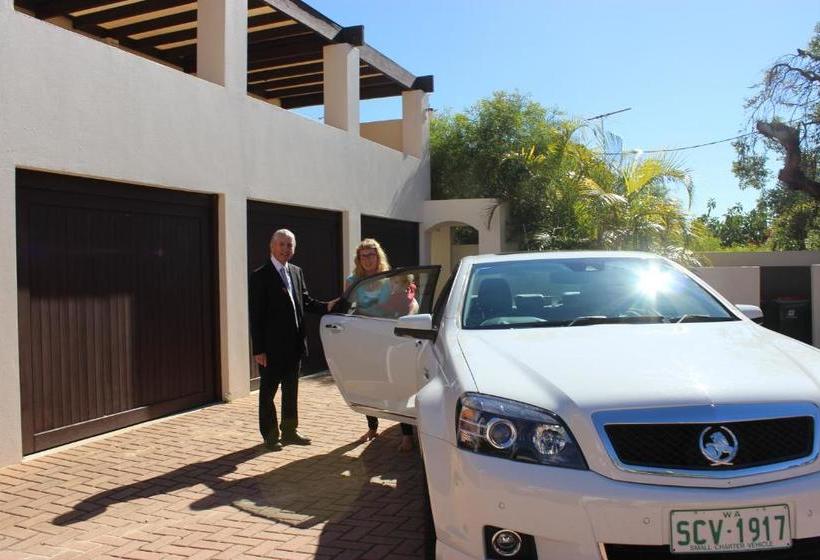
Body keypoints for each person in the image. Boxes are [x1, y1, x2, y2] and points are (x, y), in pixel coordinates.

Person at [249, 229, 336, 450]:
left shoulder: (296, 272)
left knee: (290, 391)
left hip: (295, 345)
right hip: (271, 348)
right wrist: (258, 349)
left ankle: (289, 431)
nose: (286, 249)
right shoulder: (261, 275)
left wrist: (327, 307)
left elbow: (305, 301)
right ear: (272, 246)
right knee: (268, 394)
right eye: (282, 244)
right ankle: (270, 435)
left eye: (290, 245)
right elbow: (256, 315)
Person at [344, 239, 415, 452]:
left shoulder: (391, 279)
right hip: (365, 339)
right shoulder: (353, 281)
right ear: (358, 259)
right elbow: (347, 307)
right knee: (369, 385)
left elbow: (409, 303)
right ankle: (372, 428)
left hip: (391, 338)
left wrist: (407, 321)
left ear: (378, 256)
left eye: (371, 255)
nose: (367, 260)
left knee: (398, 384)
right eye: (363, 256)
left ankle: (407, 435)